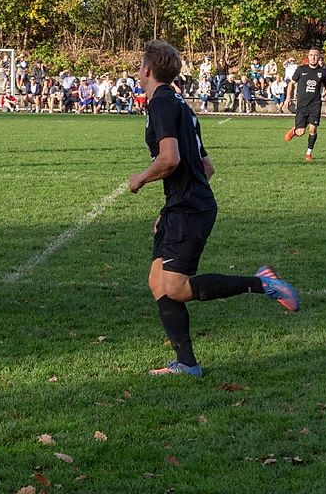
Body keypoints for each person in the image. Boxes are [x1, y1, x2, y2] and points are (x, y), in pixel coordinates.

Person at [127, 40, 299, 378]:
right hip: (185, 206)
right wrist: (171, 205)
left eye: (139, 67)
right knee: (157, 282)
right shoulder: (180, 104)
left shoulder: (161, 103)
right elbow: (207, 166)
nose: (138, 71)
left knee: (175, 287)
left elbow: (170, 159)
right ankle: (187, 364)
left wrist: (140, 180)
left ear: (147, 70)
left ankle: (261, 283)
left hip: (191, 209)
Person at [284, 47, 326, 162]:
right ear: (308, 57)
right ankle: (295, 131)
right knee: (301, 132)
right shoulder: (301, 70)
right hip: (302, 105)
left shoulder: (323, 71)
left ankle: (308, 154)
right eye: (311, 55)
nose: (313, 57)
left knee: (313, 130)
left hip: (315, 105)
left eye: (315, 55)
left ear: (319, 57)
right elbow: (291, 84)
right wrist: (288, 98)